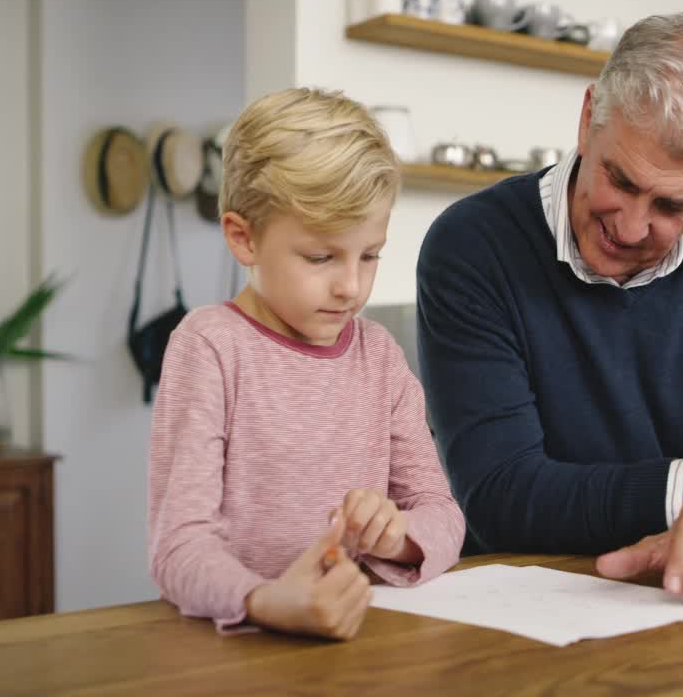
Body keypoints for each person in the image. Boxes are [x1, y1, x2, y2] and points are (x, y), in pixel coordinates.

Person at [416, 14, 683, 605]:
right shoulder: (473, 246)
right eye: (619, 179)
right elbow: (501, 495)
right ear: (588, 118)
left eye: (673, 205)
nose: (630, 227)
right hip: (516, 609)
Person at [148, 88, 465, 639]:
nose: (351, 286)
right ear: (243, 238)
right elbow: (179, 546)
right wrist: (266, 599)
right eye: (320, 257)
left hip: (355, 644)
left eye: (369, 255)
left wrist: (397, 537)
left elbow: (442, 514)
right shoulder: (210, 347)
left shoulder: (380, 357)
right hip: (240, 652)